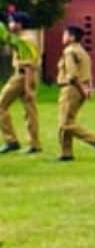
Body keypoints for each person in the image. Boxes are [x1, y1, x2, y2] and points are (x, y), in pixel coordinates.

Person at [55, 24, 95, 161]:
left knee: (64, 123)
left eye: (65, 34)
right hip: (80, 88)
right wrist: (88, 88)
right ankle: (66, 153)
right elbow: (87, 73)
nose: (63, 37)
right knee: (68, 120)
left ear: (71, 37)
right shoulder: (82, 51)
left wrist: (82, 90)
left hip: (71, 89)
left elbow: (72, 75)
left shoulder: (69, 51)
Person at [0, 14, 42, 154]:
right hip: (27, 76)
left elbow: (28, 65)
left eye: (12, 22)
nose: (9, 24)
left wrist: (27, 87)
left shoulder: (25, 40)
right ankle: (34, 144)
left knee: (1, 105)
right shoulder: (26, 38)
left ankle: (11, 141)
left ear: (20, 24)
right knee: (30, 111)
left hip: (22, 76)